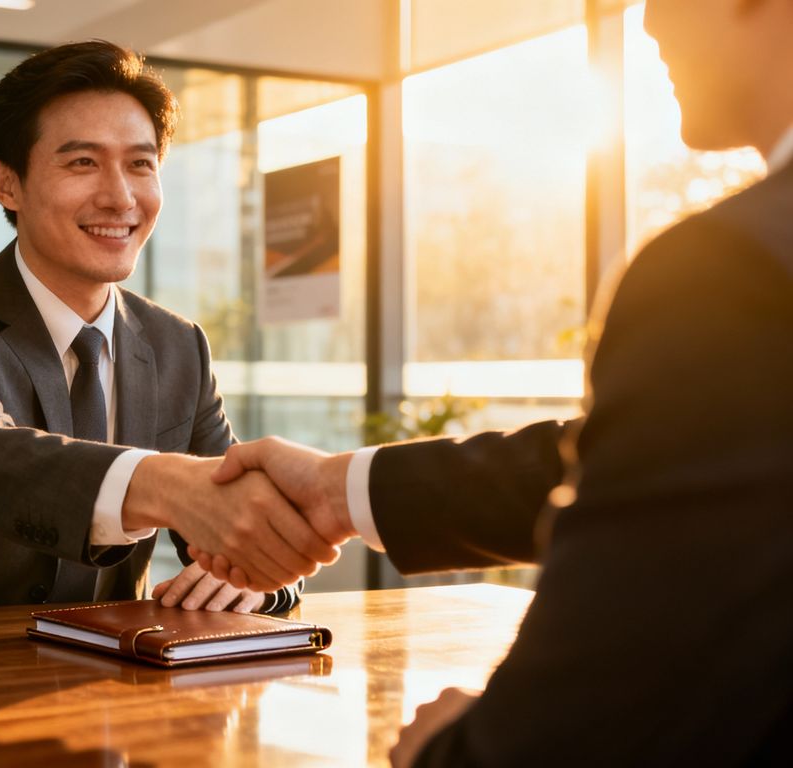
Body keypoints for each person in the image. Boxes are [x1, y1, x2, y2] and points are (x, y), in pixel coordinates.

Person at [198, 0, 793, 764]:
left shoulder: (730, 270)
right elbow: (653, 463)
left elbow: (601, 688)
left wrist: (445, 751)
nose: (648, 24)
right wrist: (339, 488)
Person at [0, 40, 337, 616]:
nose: (120, 197)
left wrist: (256, 574)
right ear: (8, 184)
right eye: (82, 162)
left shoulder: (179, 346)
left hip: (108, 677)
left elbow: (239, 520)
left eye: (140, 163)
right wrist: (165, 484)